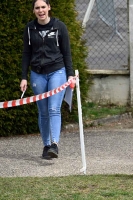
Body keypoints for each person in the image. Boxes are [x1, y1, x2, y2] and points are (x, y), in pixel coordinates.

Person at [20, 0, 76, 159]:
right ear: (33, 11)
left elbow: (67, 53)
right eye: (37, 8)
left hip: (57, 72)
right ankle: (46, 146)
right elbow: (26, 54)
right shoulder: (30, 28)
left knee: (53, 109)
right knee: (43, 111)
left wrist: (70, 74)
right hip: (37, 74)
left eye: (43, 7)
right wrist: (24, 77)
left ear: (49, 8)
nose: (40, 10)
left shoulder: (60, 26)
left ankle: (55, 144)